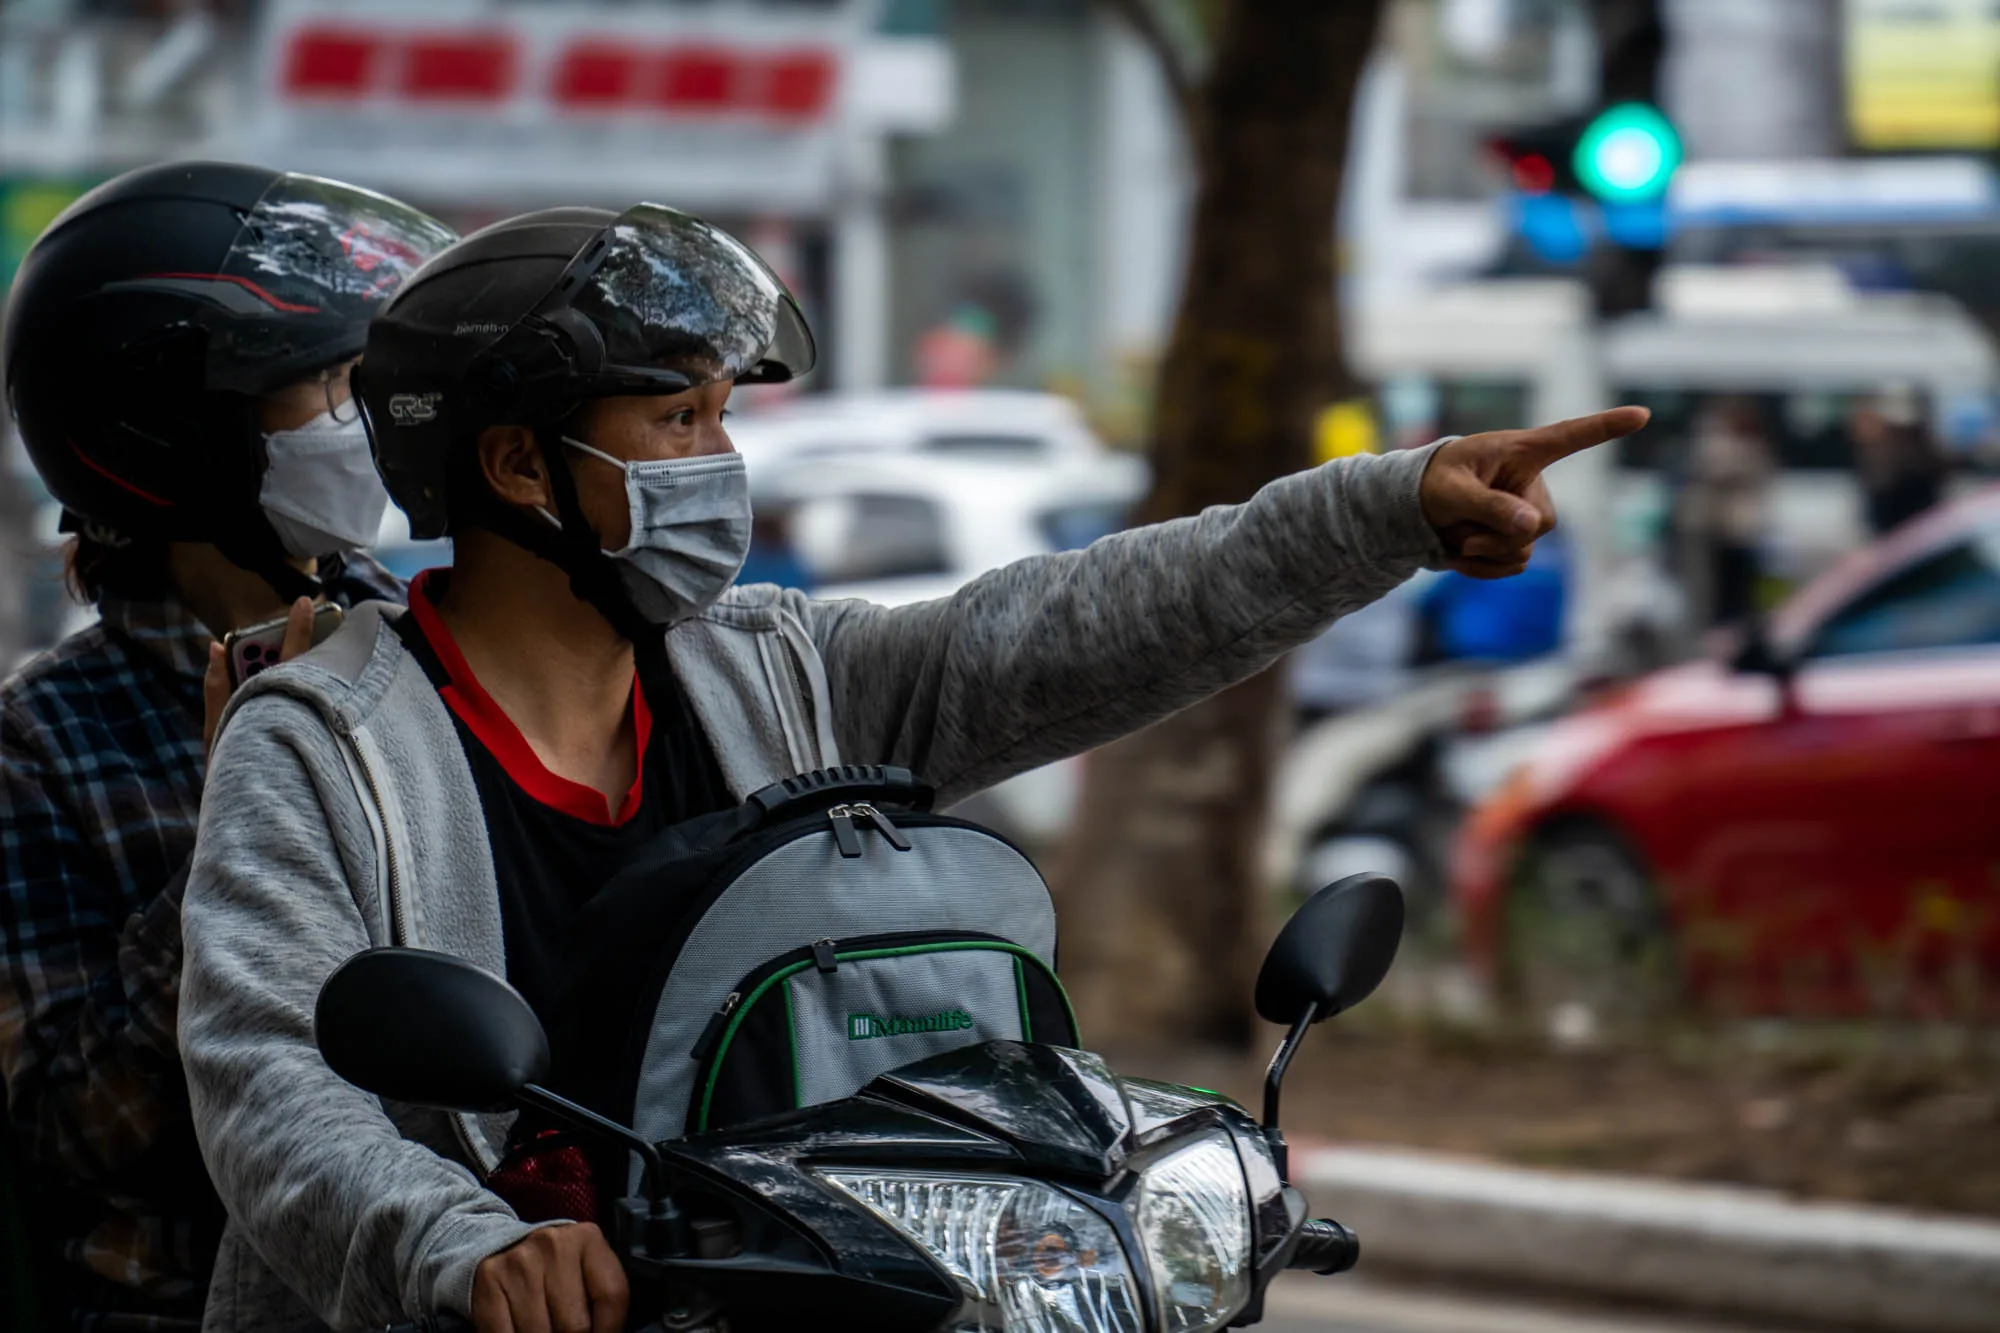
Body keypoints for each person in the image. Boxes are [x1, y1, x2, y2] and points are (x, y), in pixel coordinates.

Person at [176, 203, 1649, 1333]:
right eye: (675, 422)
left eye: (724, 419)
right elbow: (269, 1076)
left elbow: (1074, 627)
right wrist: (466, 1242)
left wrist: (1385, 512)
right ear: (515, 468)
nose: (719, 466)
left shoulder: (779, 671)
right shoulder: (325, 743)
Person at [0, 161, 453, 1330]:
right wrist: (232, 845)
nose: (364, 424)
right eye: (326, 388)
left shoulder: (421, 646)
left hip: (432, 1273)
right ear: (177, 429)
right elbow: (74, 1132)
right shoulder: (41, 744)